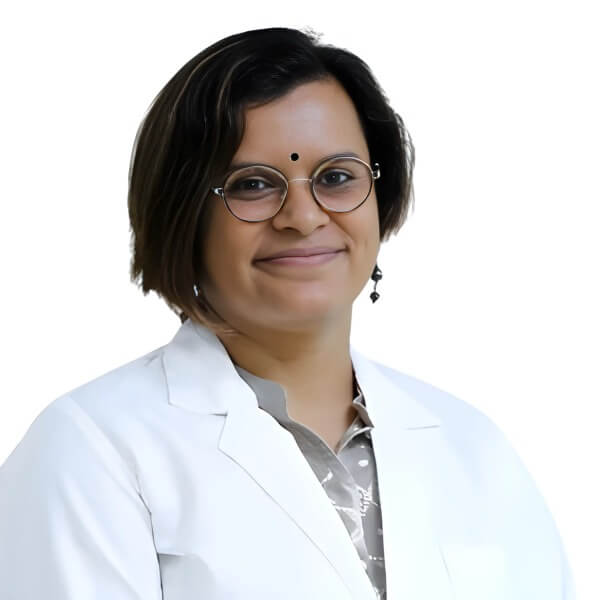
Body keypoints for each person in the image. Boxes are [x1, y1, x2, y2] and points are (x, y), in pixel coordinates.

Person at [0, 27, 574, 600]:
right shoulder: (90, 449)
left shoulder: (474, 447)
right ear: (184, 215)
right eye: (252, 185)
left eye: (336, 177)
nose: (302, 216)